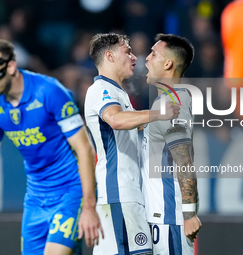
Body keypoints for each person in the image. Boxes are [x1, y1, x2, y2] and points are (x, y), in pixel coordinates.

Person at [0, 38, 103, 255]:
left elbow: (84, 149)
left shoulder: (50, 92)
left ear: (10, 66)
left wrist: (90, 207)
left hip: (70, 192)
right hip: (35, 198)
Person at [85, 33, 180, 255]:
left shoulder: (117, 92)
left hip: (123, 195)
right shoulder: (102, 90)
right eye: (127, 51)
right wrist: (158, 114)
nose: (134, 57)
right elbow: (116, 120)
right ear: (109, 56)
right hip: (119, 194)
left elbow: (131, 123)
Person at [141, 33, 202, 254]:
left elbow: (184, 160)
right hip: (161, 218)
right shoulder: (163, 102)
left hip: (170, 219)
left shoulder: (172, 102)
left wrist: (188, 214)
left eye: (153, 54)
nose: (146, 59)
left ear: (168, 64)